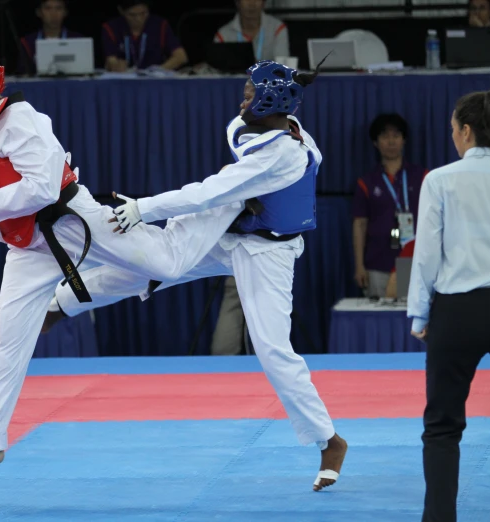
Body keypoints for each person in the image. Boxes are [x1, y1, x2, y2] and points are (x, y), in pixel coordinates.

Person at [0, 37, 240, 478]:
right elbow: (0, 189)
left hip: (73, 220)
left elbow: (41, 188)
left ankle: (226, 209)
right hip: (27, 243)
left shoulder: (19, 118)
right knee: (7, 338)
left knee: (166, 265)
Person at [43, 59, 348, 491]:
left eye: (248, 93)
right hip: (232, 229)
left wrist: (142, 208)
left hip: (268, 253)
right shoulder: (260, 128)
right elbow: (234, 150)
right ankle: (61, 302)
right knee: (154, 271)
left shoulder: (281, 153)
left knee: (273, 349)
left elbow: (208, 192)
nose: (241, 99)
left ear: (271, 100)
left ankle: (328, 441)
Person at [408, 89, 490, 522]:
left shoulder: (440, 180)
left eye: (453, 129)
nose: (452, 137)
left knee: (443, 427)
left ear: (466, 131)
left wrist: (420, 313)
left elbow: (426, 253)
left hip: (457, 310)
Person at [352, 113, 428, 298]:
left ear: (404, 140)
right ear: (375, 143)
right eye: (385, 136)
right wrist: (359, 266)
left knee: (411, 321)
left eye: (396, 136)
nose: (391, 141)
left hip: (414, 259)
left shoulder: (423, 176)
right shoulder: (366, 182)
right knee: (379, 318)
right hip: (377, 261)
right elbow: (359, 224)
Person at [101, 0, 187, 72]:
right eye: (132, 15)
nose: (138, 19)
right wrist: (115, 65)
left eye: (143, 13)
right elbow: (111, 60)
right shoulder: (111, 28)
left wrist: (159, 70)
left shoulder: (160, 25)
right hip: (125, 80)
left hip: (154, 79)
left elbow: (180, 56)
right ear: (121, 11)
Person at [17, 0, 83, 76]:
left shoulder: (77, 40)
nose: (53, 14)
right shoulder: (28, 43)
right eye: (48, 8)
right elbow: (22, 76)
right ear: (39, 12)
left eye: (58, 8)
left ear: (65, 12)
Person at [214, 0, 289, 62]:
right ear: (237, 3)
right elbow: (216, 67)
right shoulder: (223, 34)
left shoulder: (277, 28)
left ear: (264, 3)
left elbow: (283, 64)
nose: (251, 3)